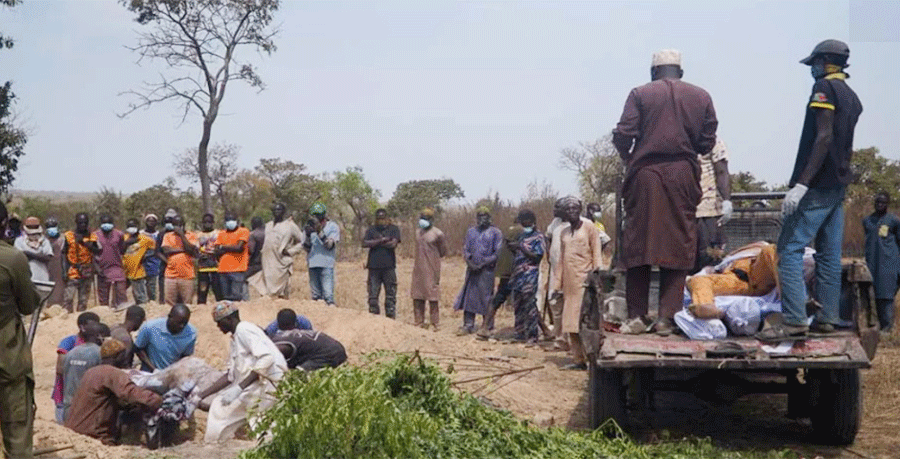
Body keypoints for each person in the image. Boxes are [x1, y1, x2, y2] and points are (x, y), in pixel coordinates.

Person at [758, 39, 863, 341]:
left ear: (825, 62)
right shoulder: (852, 96)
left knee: (788, 250)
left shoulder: (824, 89)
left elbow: (824, 136)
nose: (812, 69)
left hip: (818, 184)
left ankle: (794, 320)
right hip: (838, 185)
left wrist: (803, 183)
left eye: (814, 63)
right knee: (828, 254)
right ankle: (827, 318)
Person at [612, 49, 718, 333]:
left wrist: (628, 157)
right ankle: (667, 318)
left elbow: (624, 133)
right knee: (680, 242)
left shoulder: (640, 94)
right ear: (680, 72)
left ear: (653, 72)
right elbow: (707, 141)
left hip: (645, 174)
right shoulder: (701, 96)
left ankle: (637, 316)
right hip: (682, 174)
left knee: (639, 243)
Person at [196, 301, 287, 443]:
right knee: (259, 421)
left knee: (220, 408)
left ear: (229, 319)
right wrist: (200, 396)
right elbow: (230, 376)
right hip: (256, 387)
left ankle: (213, 445)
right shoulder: (235, 338)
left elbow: (266, 358)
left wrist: (239, 387)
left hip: (267, 386)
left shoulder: (244, 329)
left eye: (219, 322)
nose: (218, 327)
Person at [64, 339, 163, 445]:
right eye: (124, 355)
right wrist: (157, 400)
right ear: (118, 356)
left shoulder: (91, 372)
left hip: (74, 431)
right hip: (94, 434)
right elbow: (130, 392)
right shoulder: (112, 373)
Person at [0, 201, 41, 458]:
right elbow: (28, 305)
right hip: (7, 358)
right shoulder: (12, 258)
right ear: (5, 224)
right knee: (16, 432)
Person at [550, 197, 606, 370]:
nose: (572, 212)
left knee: (584, 322)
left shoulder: (589, 227)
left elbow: (596, 252)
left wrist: (596, 274)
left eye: (575, 208)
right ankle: (578, 359)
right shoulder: (564, 233)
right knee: (570, 323)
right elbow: (561, 261)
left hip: (584, 282)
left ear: (580, 210)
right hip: (569, 284)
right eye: (568, 209)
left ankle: (591, 359)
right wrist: (556, 285)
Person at [454, 206, 503, 335]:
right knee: (469, 297)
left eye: (485, 216)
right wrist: (470, 263)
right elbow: (466, 249)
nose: (482, 219)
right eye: (480, 216)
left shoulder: (495, 233)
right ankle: (468, 325)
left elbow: (498, 253)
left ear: (489, 217)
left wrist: (483, 264)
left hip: (487, 270)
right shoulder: (471, 231)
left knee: (486, 298)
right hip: (472, 270)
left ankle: (488, 326)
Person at [476, 218, 522, 339]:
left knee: (497, 299)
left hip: (504, 271)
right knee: (527, 300)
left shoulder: (508, 231)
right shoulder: (521, 231)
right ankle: (539, 330)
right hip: (515, 271)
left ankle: (484, 327)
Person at [53, 311, 101, 423]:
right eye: (94, 325)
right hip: (65, 395)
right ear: (82, 327)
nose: (97, 328)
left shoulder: (96, 345)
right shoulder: (69, 342)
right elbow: (60, 369)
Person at [694, 139, 733, 272]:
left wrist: (726, 201)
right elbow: (722, 172)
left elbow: (721, 172)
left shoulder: (712, 141)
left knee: (708, 260)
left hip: (707, 210)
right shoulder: (682, 138)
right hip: (690, 210)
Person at [863, 192, 900, 332]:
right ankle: (875, 326)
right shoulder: (867, 221)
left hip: (889, 263)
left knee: (886, 295)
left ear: (887, 204)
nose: (879, 205)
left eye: (883, 202)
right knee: (873, 296)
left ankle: (887, 327)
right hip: (872, 263)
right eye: (877, 202)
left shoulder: (894, 221)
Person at [506, 210, 545, 343]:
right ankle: (520, 333)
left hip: (530, 275)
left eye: (526, 221)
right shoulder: (521, 236)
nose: (523, 224)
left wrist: (521, 248)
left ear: (532, 221)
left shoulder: (538, 237)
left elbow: (537, 257)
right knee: (518, 304)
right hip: (518, 275)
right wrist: (513, 248)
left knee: (529, 304)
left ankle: (533, 336)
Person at [253, 203, 305, 299]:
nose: (277, 212)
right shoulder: (268, 225)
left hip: (281, 262)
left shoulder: (290, 225)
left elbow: (303, 241)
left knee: (281, 292)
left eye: (279, 210)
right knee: (267, 288)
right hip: (267, 261)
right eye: (275, 210)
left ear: (283, 212)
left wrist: (290, 251)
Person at [410, 208, 447, 330]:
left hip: (432, 267)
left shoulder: (438, 234)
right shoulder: (417, 232)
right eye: (422, 218)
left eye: (426, 219)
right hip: (418, 268)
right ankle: (419, 321)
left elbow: (443, 251)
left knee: (432, 295)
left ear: (431, 220)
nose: (423, 221)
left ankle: (435, 323)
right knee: (417, 295)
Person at [134, 303, 197, 372]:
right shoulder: (150, 327)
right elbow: (138, 349)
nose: (182, 326)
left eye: (185, 323)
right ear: (169, 317)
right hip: (149, 373)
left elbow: (185, 357)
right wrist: (154, 370)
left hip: (172, 374)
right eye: (179, 323)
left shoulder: (190, 334)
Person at [362, 208, 401, 318]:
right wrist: (382, 240)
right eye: (379, 219)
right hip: (373, 267)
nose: (381, 221)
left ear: (387, 218)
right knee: (373, 296)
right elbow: (364, 243)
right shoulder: (371, 229)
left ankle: (390, 319)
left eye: (383, 218)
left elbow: (393, 244)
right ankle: (374, 319)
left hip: (389, 266)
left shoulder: (394, 229)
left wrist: (375, 243)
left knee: (390, 296)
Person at [62, 213, 102, 312]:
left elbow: (98, 250)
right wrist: (64, 270)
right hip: (73, 270)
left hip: (86, 270)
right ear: (76, 223)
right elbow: (63, 253)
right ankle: (67, 316)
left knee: (83, 300)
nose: (83, 225)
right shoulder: (68, 236)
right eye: (80, 223)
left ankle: (80, 315)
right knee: (68, 298)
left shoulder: (92, 236)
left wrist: (85, 243)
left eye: (85, 223)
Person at [304, 203, 341, 305]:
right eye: (314, 215)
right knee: (315, 296)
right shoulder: (308, 226)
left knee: (328, 296)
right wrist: (308, 236)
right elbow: (306, 248)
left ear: (324, 214)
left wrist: (319, 232)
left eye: (319, 215)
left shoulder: (332, 226)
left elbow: (329, 246)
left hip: (326, 264)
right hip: (312, 263)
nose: (316, 217)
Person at [161, 215, 199, 305]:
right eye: (175, 225)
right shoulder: (168, 236)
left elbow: (191, 250)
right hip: (170, 275)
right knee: (169, 303)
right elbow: (166, 250)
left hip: (187, 275)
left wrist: (182, 235)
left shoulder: (191, 235)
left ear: (183, 224)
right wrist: (182, 249)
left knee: (187, 303)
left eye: (179, 224)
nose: (177, 227)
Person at [93, 214, 128, 308]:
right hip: (102, 269)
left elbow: (122, 250)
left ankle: (121, 311)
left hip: (117, 268)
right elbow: (92, 253)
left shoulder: (119, 234)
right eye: (104, 222)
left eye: (108, 222)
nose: (106, 224)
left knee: (121, 294)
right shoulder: (95, 236)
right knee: (103, 297)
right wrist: (97, 268)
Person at [272, 328, 347, 371]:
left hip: (329, 352)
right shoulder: (275, 340)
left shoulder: (281, 348)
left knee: (298, 376)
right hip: (325, 345)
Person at [215, 211, 250, 301]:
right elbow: (217, 250)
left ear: (237, 221)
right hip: (223, 269)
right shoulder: (222, 233)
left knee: (236, 297)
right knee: (225, 298)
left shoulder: (243, 231)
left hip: (238, 269)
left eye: (232, 219)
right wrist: (231, 247)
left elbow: (239, 248)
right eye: (228, 220)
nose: (230, 221)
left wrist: (223, 247)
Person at [122, 218, 156, 305]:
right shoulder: (124, 238)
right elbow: (120, 250)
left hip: (137, 271)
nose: (131, 228)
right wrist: (127, 243)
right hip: (124, 271)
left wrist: (144, 256)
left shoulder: (145, 239)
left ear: (138, 226)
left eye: (133, 226)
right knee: (120, 294)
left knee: (140, 297)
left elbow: (155, 249)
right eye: (129, 226)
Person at [14, 216, 54, 283]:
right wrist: (39, 255)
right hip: (25, 278)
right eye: (30, 226)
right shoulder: (19, 241)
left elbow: (48, 258)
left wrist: (30, 254)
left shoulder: (44, 241)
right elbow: (19, 258)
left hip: (42, 277)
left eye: (35, 226)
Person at [109, 305, 146, 369]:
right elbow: (123, 363)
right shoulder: (125, 338)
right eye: (142, 321)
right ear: (138, 319)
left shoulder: (114, 328)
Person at [196, 213, 222, 304]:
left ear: (213, 222)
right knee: (202, 291)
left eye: (209, 222)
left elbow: (221, 247)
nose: (207, 224)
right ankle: (201, 309)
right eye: (205, 222)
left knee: (218, 291)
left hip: (216, 267)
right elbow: (195, 249)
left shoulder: (218, 233)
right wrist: (199, 255)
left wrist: (217, 252)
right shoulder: (198, 235)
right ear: (202, 223)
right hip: (202, 268)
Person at [140, 214, 162, 302]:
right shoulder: (141, 233)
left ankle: (152, 301)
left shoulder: (158, 234)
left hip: (155, 263)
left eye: (153, 221)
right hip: (141, 261)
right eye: (149, 221)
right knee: (142, 283)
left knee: (152, 284)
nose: (151, 223)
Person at [45, 217, 67, 306]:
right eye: (49, 227)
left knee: (60, 290)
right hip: (48, 268)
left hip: (60, 268)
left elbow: (65, 256)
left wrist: (65, 271)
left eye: (53, 226)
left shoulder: (62, 240)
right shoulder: (44, 241)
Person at [244, 216, 265, 301]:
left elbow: (251, 250)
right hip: (267, 261)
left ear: (253, 224)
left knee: (242, 277)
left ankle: (245, 299)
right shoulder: (268, 233)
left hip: (255, 262)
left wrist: (246, 262)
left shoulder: (253, 235)